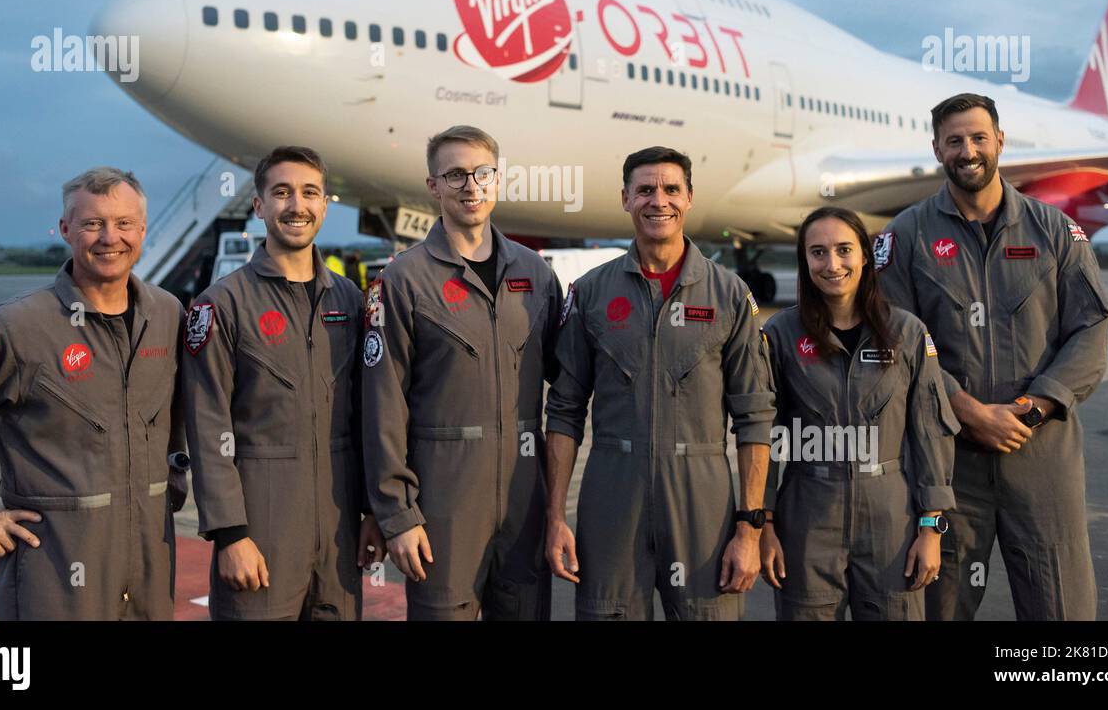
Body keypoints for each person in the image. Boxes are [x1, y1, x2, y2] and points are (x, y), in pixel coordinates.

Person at [0, 168, 186, 619]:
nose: (110, 237)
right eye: (92, 223)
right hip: (55, 581)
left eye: (124, 223)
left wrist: (173, 481)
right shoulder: (13, 326)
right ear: (65, 230)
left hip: (150, 574)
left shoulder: (168, 315)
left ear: (142, 229)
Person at [876, 93, 1108, 620]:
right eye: (954, 140)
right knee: (938, 604)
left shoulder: (1053, 231)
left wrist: (1034, 407)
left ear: (1000, 142)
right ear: (937, 148)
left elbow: (1091, 331)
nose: (968, 151)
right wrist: (969, 411)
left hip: (1041, 455)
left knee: (1062, 609)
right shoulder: (905, 236)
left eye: (979, 137)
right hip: (948, 465)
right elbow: (897, 348)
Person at [545, 146, 775, 620]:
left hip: (703, 503)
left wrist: (749, 529)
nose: (659, 200)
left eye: (672, 189)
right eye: (645, 189)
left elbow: (754, 418)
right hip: (612, 495)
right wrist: (554, 518)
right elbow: (564, 411)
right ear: (626, 198)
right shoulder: (590, 293)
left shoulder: (730, 295)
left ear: (689, 198)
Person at [362, 125, 562, 620]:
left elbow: (569, 383)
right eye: (454, 175)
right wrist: (397, 514)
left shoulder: (536, 274)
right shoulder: (403, 279)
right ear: (433, 187)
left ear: (498, 180)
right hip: (443, 506)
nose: (471, 185)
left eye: (482, 173)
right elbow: (382, 405)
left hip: (524, 503)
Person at [180, 146, 384, 620]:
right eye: (282, 193)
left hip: (339, 530)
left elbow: (370, 416)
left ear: (325, 205)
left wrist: (375, 511)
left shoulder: (351, 300)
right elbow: (208, 426)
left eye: (309, 192)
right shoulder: (222, 305)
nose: (297, 205)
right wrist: (230, 534)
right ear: (259, 206)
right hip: (261, 526)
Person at [760, 206, 959, 620]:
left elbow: (929, 433)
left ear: (865, 256)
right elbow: (765, 436)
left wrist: (931, 527)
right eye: (818, 253)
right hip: (808, 517)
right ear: (805, 262)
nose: (832, 264)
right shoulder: (780, 334)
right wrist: (763, 524)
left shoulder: (907, 332)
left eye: (844, 250)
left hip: (891, 520)